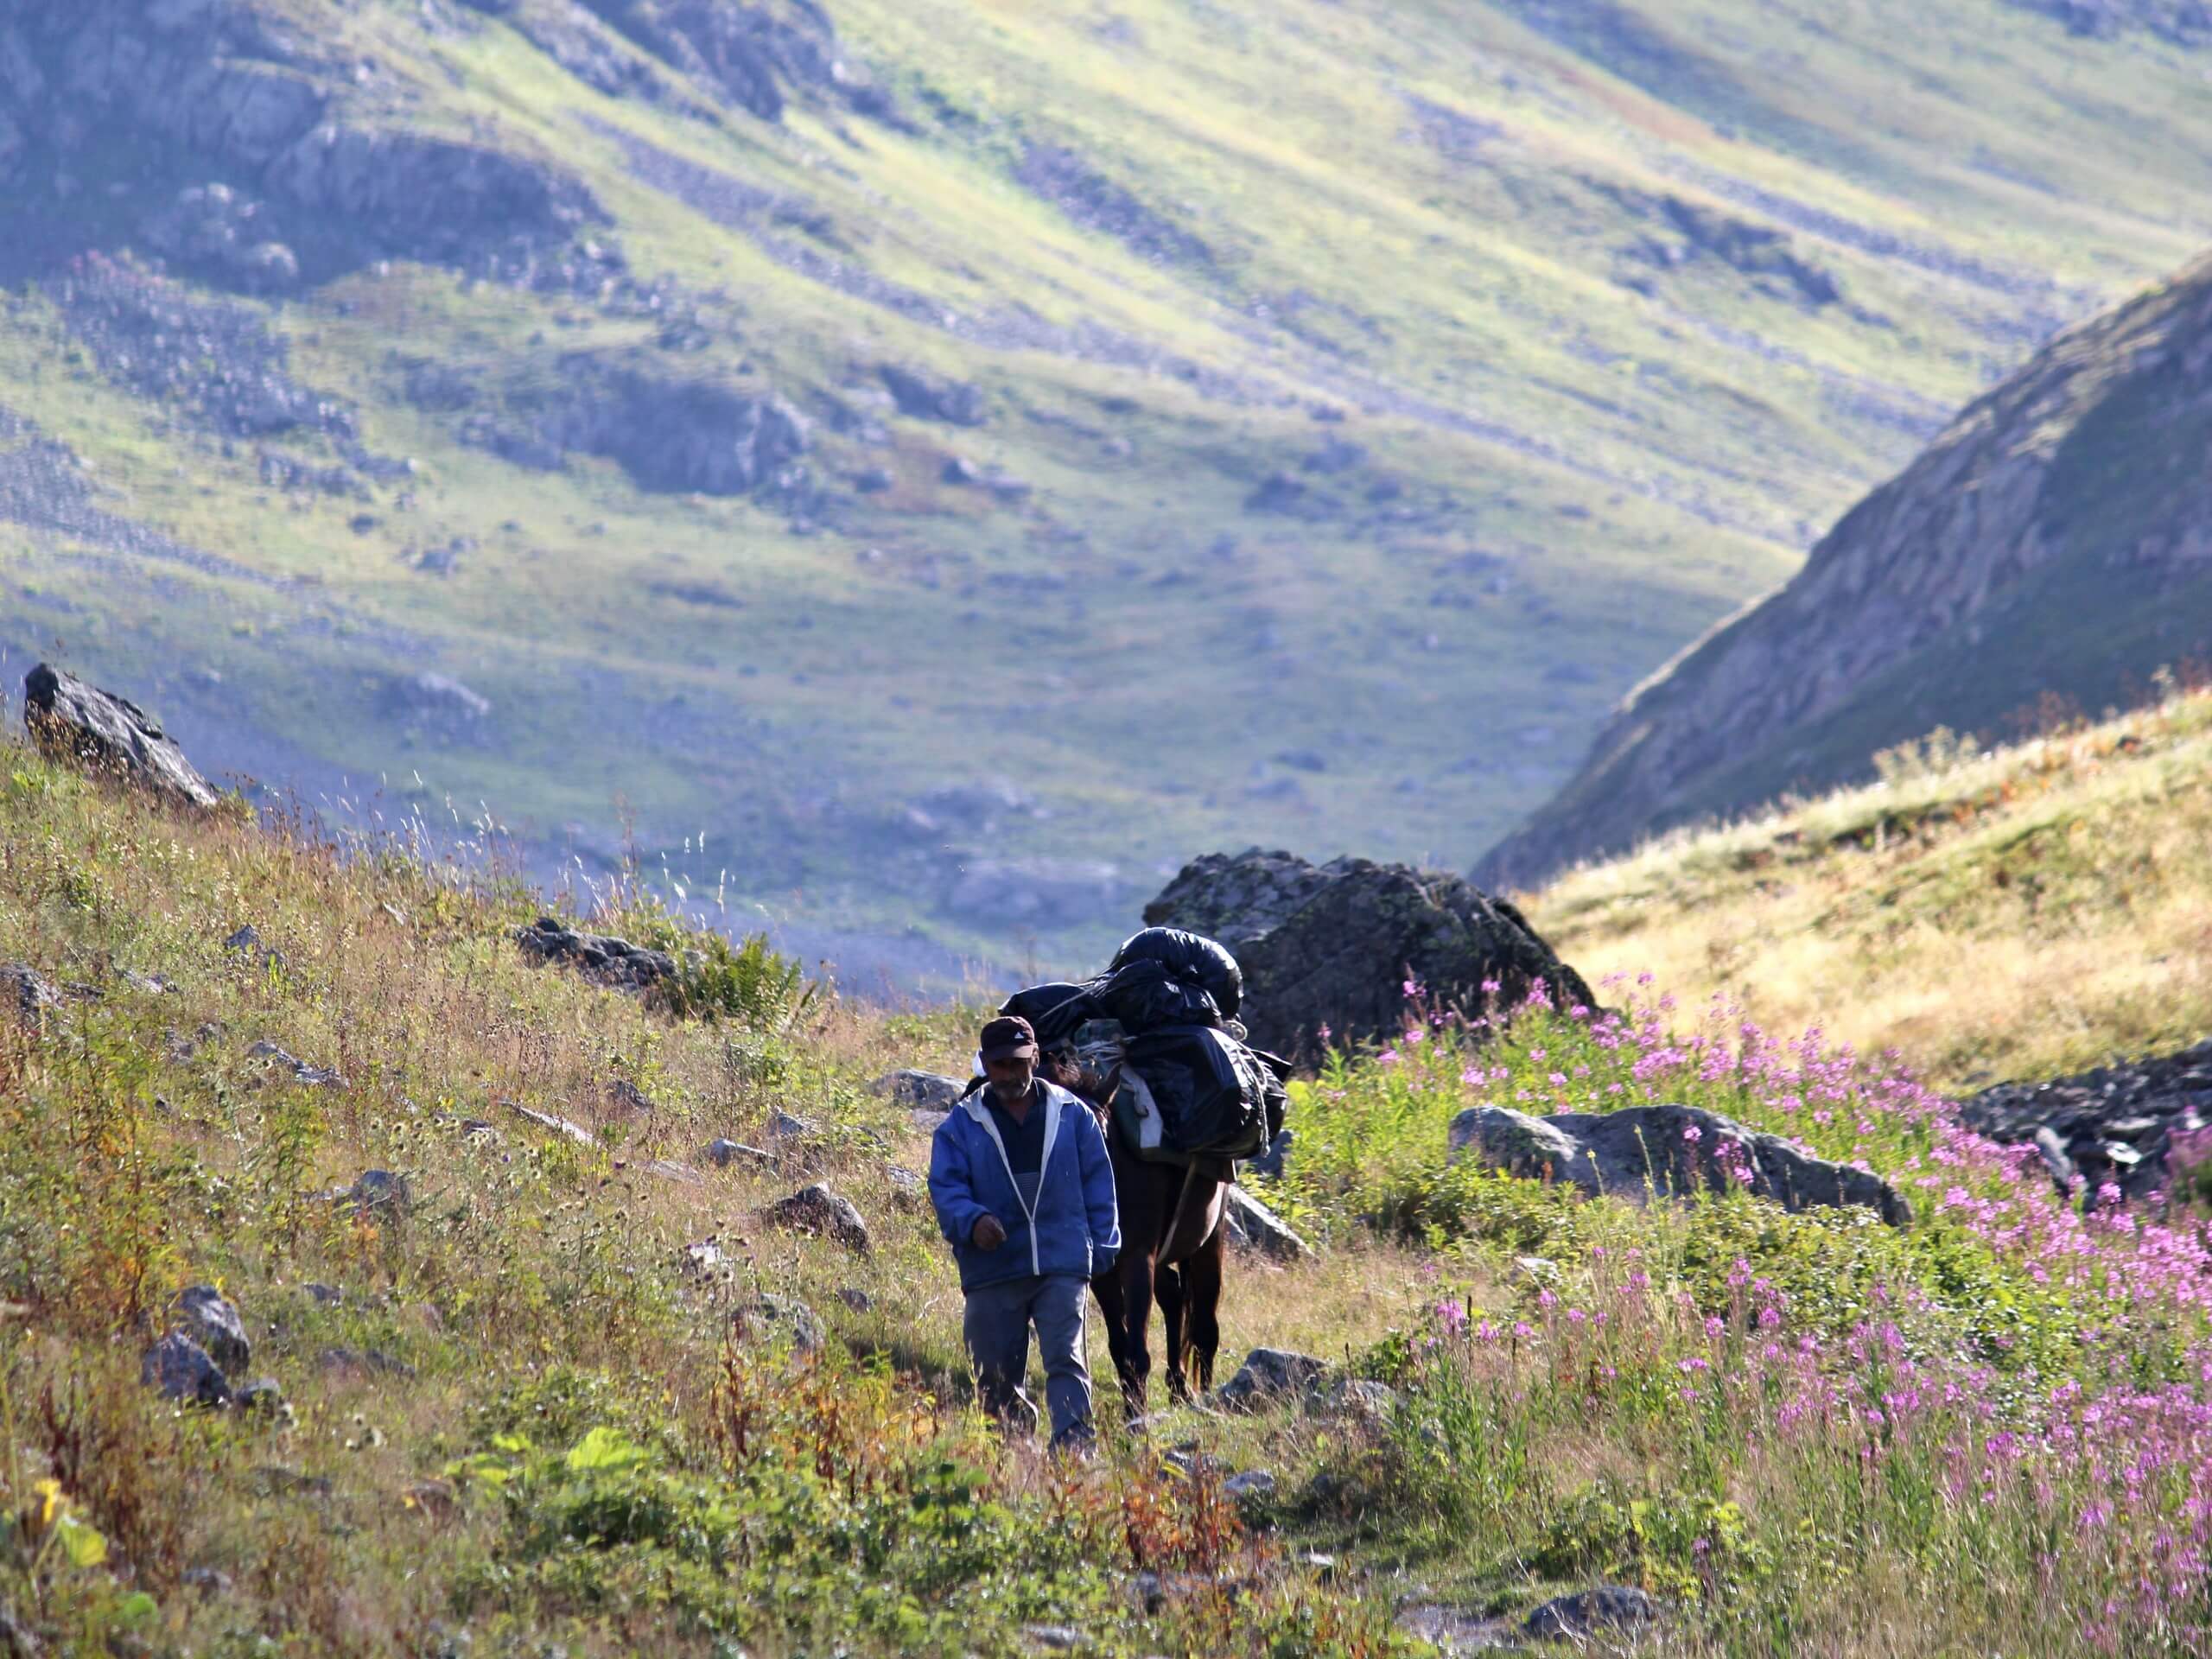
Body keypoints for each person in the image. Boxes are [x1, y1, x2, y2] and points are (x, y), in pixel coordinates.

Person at [928, 1014, 1121, 1449]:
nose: (1011, 1074)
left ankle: (1074, 1454)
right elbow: (946, 1186)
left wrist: (1102, 1247)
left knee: (1067, 1362)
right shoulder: (961, 1124)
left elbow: (1099, 1183)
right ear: (985, 1065)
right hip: (993, 1267)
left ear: (1035, 1057)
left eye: (1018, 1062)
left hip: (1062, 1260)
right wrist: (973, 1221)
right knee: (993, 1373)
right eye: (1000, 1065)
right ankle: (1011, 1453)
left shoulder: (1074, 1116)